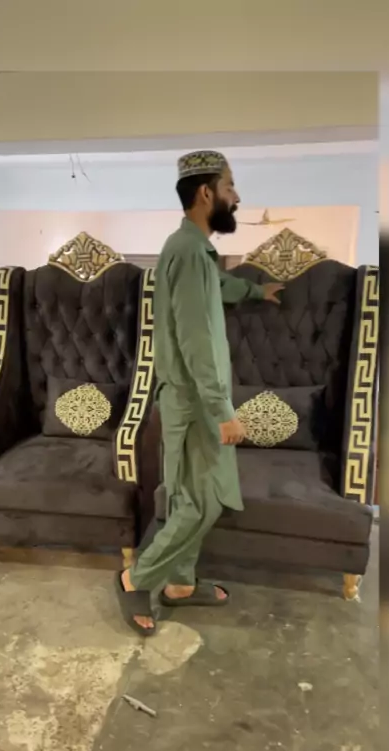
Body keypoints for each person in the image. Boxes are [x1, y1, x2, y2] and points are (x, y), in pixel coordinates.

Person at [115, 150, 284, 634]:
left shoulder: (192, 252)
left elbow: (215, 287)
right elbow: (195, 339)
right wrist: (221, 409)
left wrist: (254, 292)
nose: (237, 195)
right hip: (193, 404)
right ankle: (136, 578)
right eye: (230, 186)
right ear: (207, 193)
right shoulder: (189, 252)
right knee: (199, 503)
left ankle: (180, 585)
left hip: (191, 402)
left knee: (190, 498)